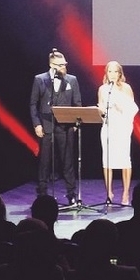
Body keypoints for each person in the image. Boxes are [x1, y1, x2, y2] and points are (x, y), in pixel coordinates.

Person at [30, 48, 82, 205]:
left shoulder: (72, 80)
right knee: (44, 161)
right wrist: (37, 124)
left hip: (66, 127)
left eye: (64, 64)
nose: (64, 67)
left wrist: (75, 123)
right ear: (52, 66)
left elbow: (77, 103)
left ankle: (71, 193)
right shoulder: (40, 79)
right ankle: (42, 192)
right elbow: (33, 104)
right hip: (47, 125)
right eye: (60, 65)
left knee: (68, 161)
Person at [97, 60, 138, 204]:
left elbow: (133, 108)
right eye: (110, 71)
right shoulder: (103, 89)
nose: (113, 74)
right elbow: (101, 108)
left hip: (123, 127)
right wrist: (101, 111)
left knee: (124, 159)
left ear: (120, 73)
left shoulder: (126, 88)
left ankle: (126, 193)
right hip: (108, 127)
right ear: (106, 73)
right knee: (107, 159)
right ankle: (109, 192)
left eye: (115, 71)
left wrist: (121, 108)